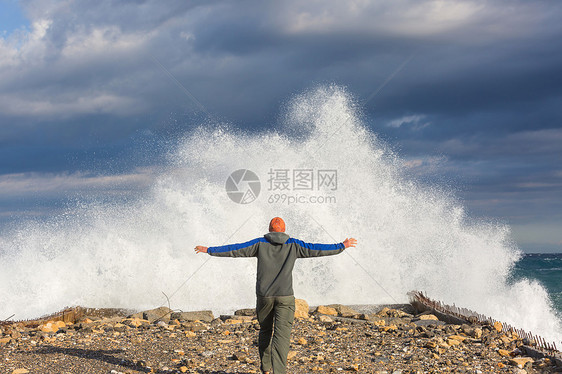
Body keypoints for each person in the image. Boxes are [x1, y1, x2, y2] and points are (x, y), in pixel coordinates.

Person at [195, 217, 357, 374]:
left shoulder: (259, 243)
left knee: (265, 331)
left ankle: (266, 369)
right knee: (282, 336)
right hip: (285, 297)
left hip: (264, 297)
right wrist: (342, 246)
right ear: (284, 230)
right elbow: (318, 249)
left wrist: (210, 250)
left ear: (269, 230)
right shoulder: (294, 244)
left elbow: (235, 249)